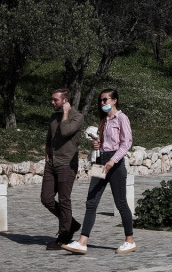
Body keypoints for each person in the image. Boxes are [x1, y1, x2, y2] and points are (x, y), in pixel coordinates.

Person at [63, 89, 136, 255]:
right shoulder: (104, 120)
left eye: (105, 100)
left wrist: (112, 160)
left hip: (115, 163)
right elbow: (103, 142)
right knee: (91, 201)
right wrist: (97, 145)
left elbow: (126, 143)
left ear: (114, 100)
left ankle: (129, 240)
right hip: (100, 161)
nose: (102, 103)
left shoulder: (122, 118)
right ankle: (82, 241)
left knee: (121, 203)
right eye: (101, 101)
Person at [41, 88, 84, 250]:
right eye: (52, 99)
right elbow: (49, 137)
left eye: (55, 100)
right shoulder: (53, 117)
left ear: (65, 101)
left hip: (67, 164)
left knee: (65, 200)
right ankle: (71, 223)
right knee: (46, 198)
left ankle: (64, 235)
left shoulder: (77, 117)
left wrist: (65, 113)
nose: (52, 102)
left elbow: (65, 131)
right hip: (52, 163)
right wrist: (47, 151)